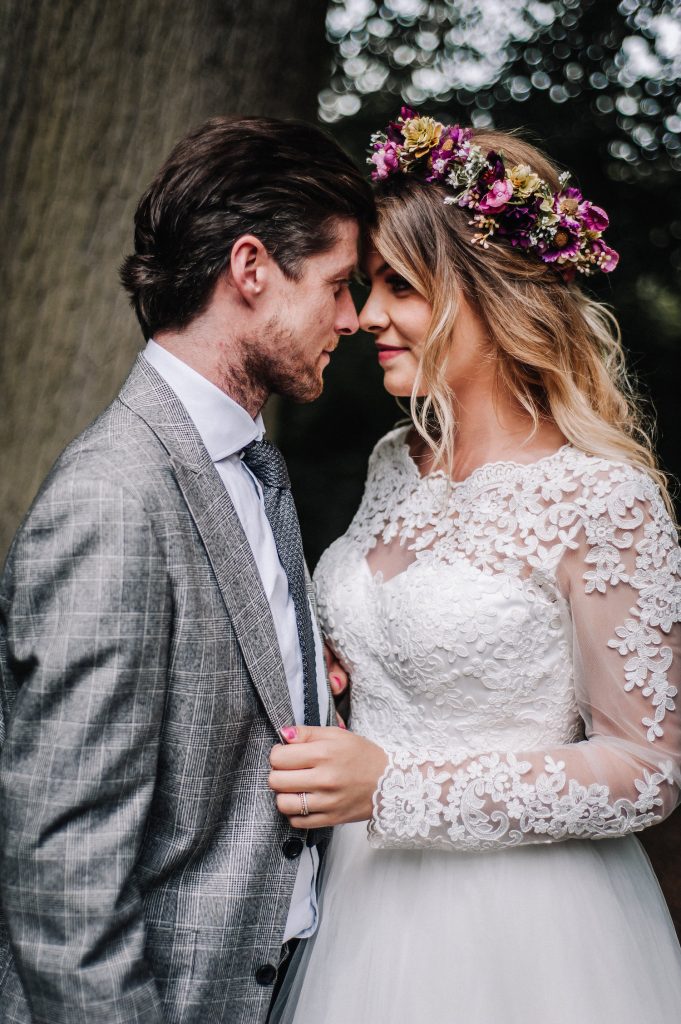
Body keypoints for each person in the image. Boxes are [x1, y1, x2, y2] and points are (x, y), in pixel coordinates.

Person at [267, 109, 681, 1022]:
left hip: (521, 929)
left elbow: (648, 768)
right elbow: (383, 640)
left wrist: (396, 787)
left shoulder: (600, 498)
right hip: (354, 905)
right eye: (368, 286)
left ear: (486, 295)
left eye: (399, 288)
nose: (367, 314)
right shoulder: (393, 460)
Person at [0, 115, 373, 1024]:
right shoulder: (114, 499)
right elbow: (64, 875)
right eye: (335, 285)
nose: (353, 318)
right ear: (250, 269)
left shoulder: (251, 462)